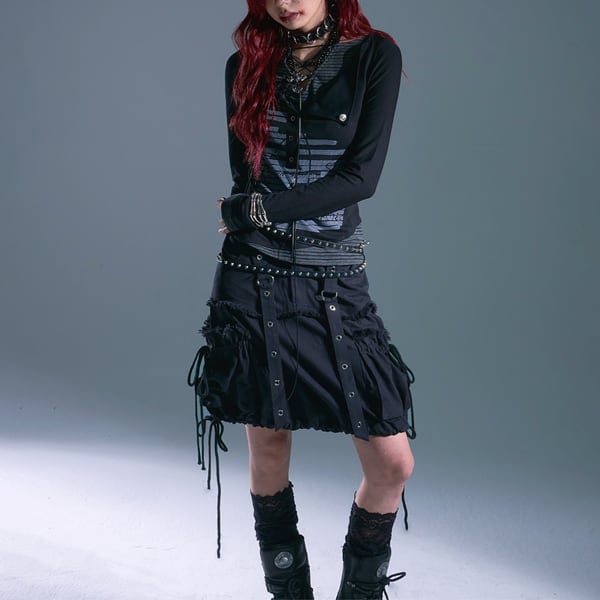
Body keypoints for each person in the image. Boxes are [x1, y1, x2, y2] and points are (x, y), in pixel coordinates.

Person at [187, 0, 417, 598]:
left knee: (392, 462)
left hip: (334, 276)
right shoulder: (244, 64)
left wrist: (258, 211)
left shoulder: (373, 56)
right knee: (267, 443)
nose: (285, 2)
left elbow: (361, 178)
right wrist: (251, 212)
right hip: (252, 273)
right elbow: (246, 174)